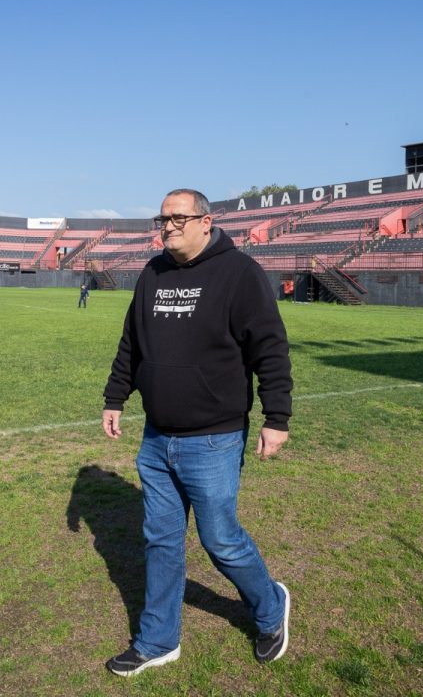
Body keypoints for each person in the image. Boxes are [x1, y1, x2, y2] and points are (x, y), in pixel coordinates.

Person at [101, 188, 293, 677]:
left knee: (221, 540)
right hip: (156, 438)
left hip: (214, 438)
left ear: (207, 222)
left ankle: (271, 608)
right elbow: (132, 343)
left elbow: (269, 348)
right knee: (161, 542)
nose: (168, 226)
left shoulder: (240, 273)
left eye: (179, 218)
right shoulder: (152, 273)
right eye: (162, 219)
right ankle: (158, 640)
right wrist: (115, 397)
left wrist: (277, 418)